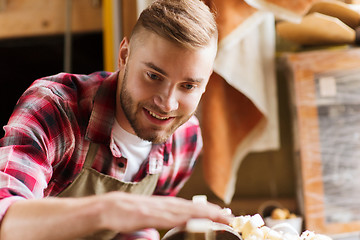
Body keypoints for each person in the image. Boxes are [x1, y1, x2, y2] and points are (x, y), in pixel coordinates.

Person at [0, 0, 230, 239]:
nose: (168, 104)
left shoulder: (185, 139)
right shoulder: (54, 110)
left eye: (189, 85)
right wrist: (109, 209)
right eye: (153, 75)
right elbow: (6, 219)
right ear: (124, 55)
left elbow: (132, 227)